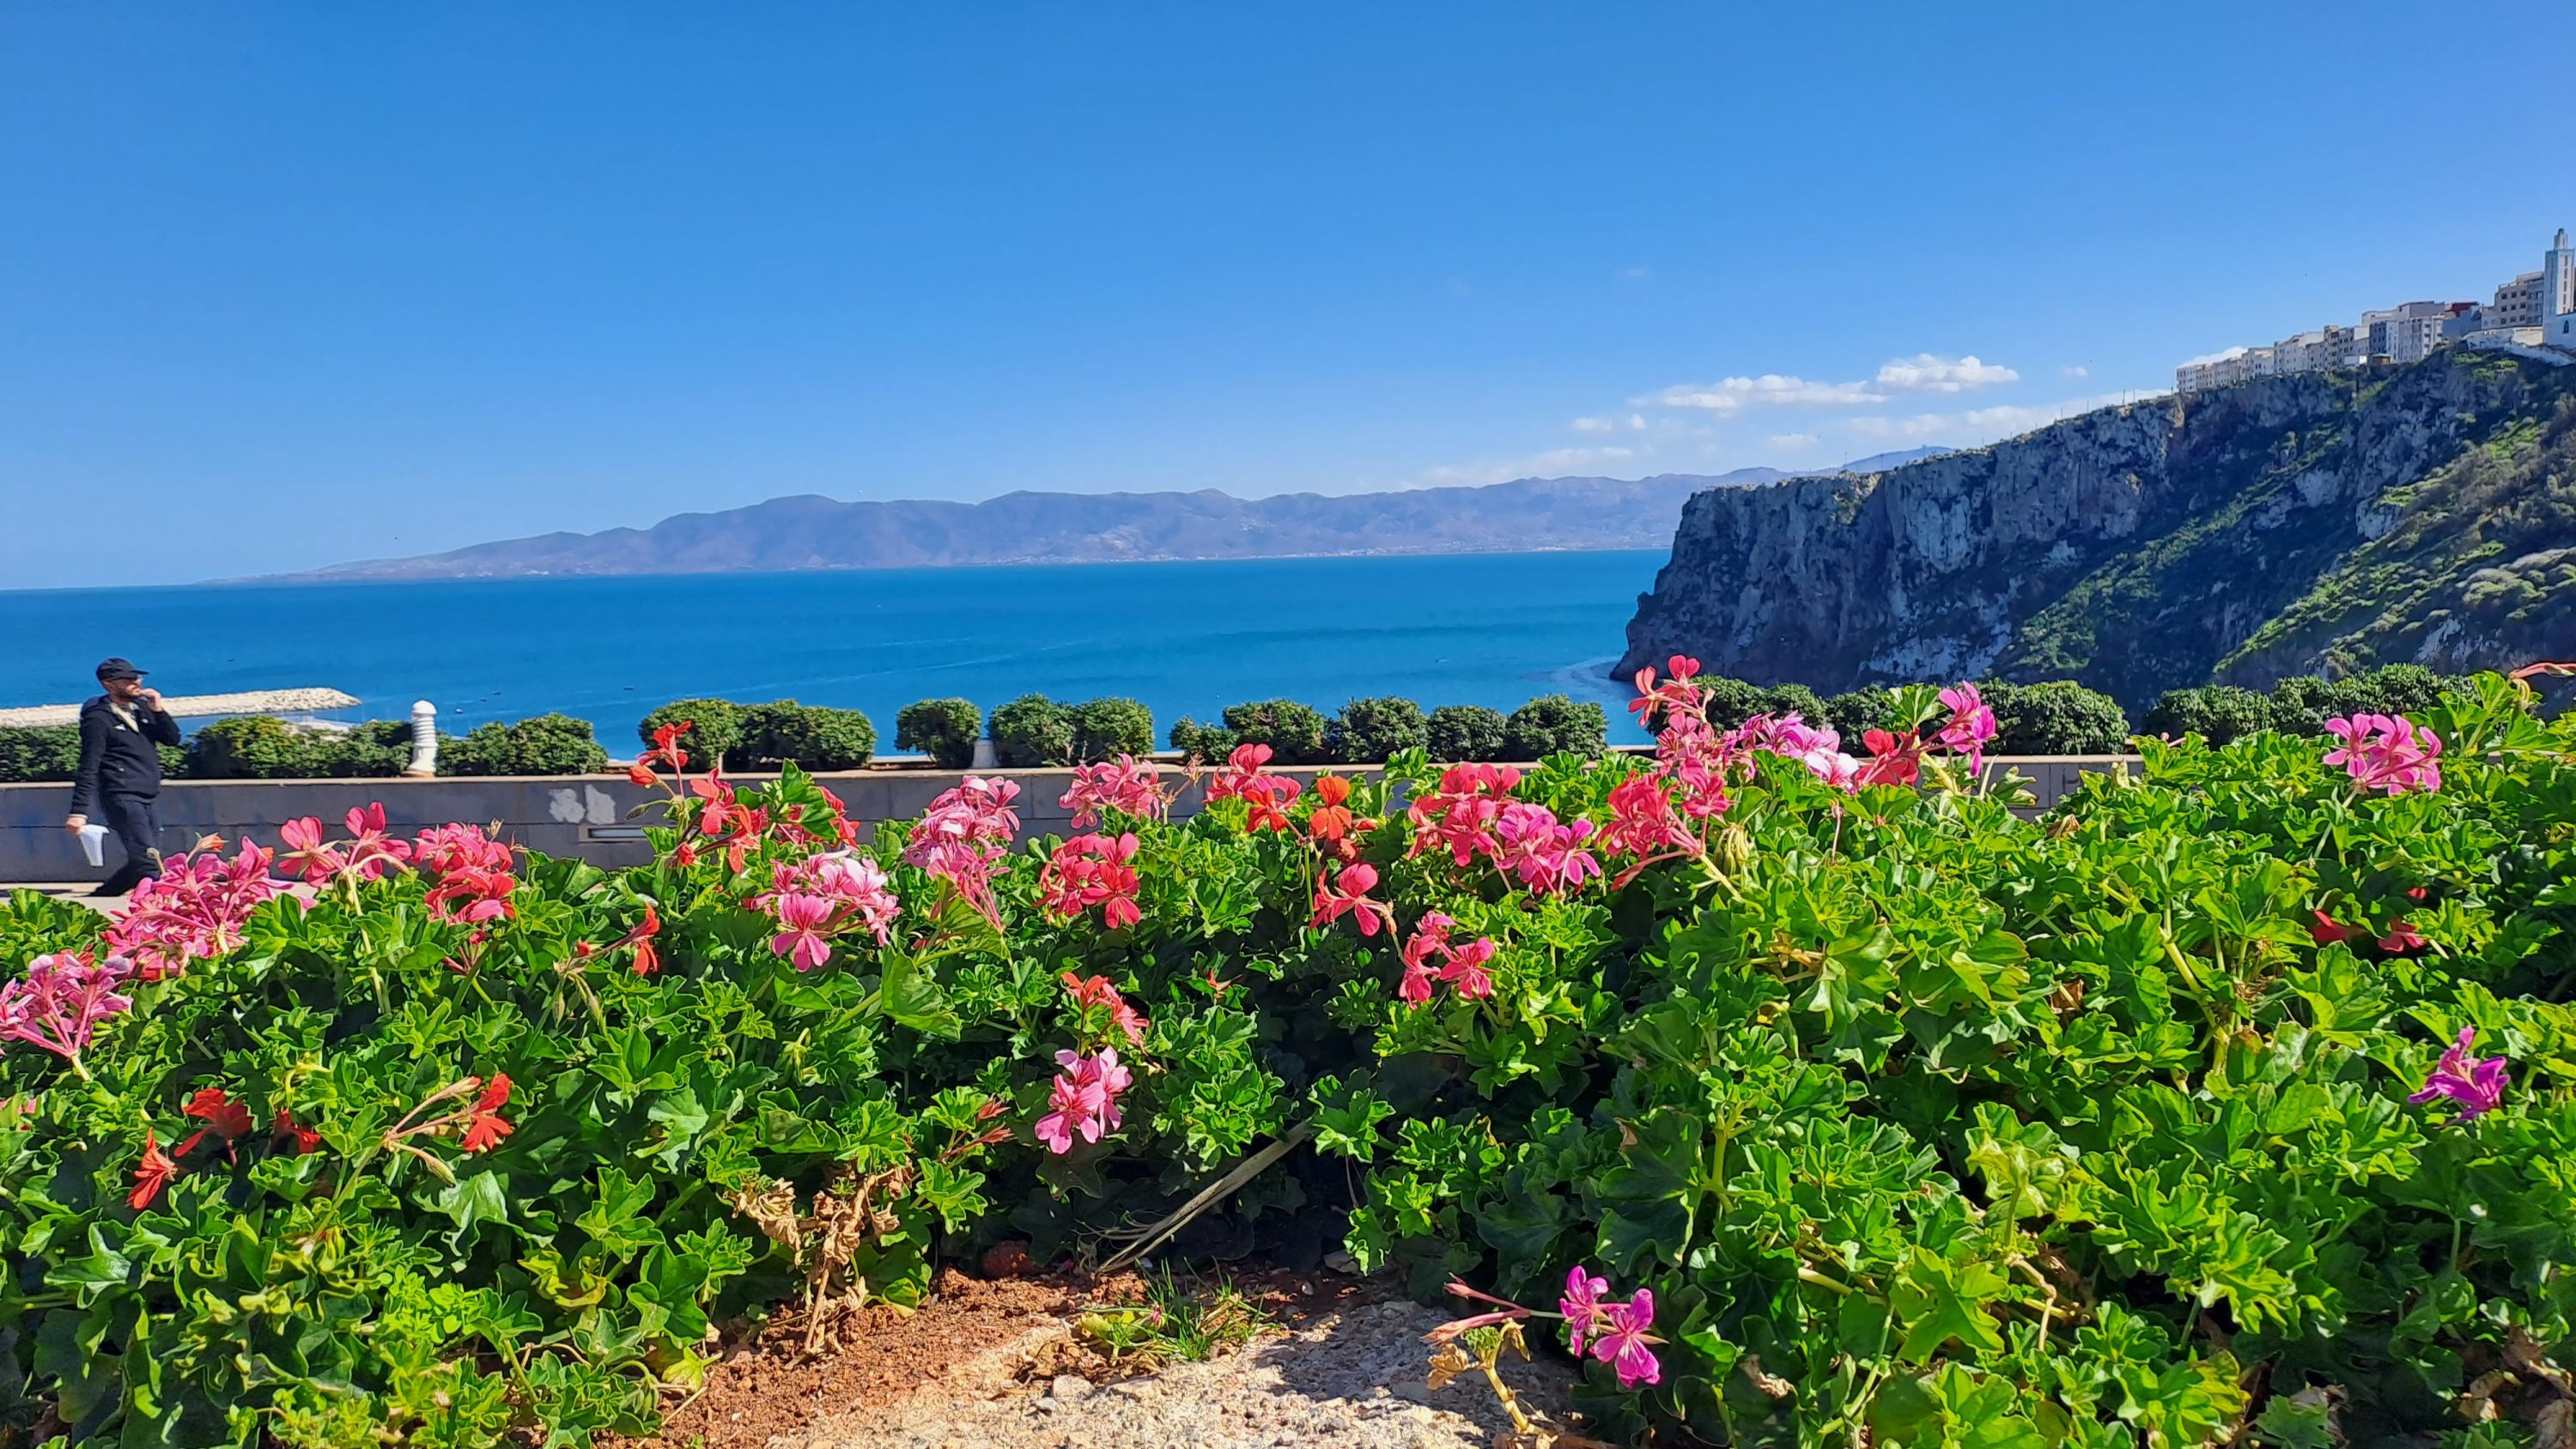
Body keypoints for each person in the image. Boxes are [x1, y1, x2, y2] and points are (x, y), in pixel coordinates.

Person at [64, 658, 182, 897]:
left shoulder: (141, 709)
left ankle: (103, 895)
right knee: (148, 858)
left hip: (147, 793)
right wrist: (78, 812)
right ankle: (163, 903)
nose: (136, 682)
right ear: (109, 684)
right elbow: (89, 764)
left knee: (147, 855)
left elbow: (172, 739)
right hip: (121, 794)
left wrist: (158, 710)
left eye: (137, 677)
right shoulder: (98, 718)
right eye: (128, 679)